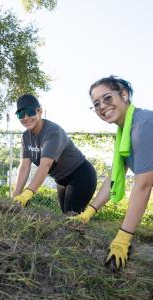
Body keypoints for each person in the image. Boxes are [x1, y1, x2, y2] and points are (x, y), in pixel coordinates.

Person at [69, 75, 153, 271]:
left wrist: (123, 238)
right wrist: (87, 213)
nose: (102, 106)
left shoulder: (142, 125)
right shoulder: (125, 131)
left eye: (107, 98)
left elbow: (143, 186)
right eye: (96, 104)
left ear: (124, 95)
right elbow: (114, 178)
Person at [13, 94, 97, 214]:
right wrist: (16, 195)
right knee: (65, 216)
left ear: (40, 111)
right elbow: (24, 167)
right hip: (61, 179)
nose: (25, 117)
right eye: (21, 114)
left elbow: (45, 165)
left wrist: (27, 193)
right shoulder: (25, 137)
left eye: (30, 112)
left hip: (81, 176)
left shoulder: (53, 131)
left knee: (71, 217)